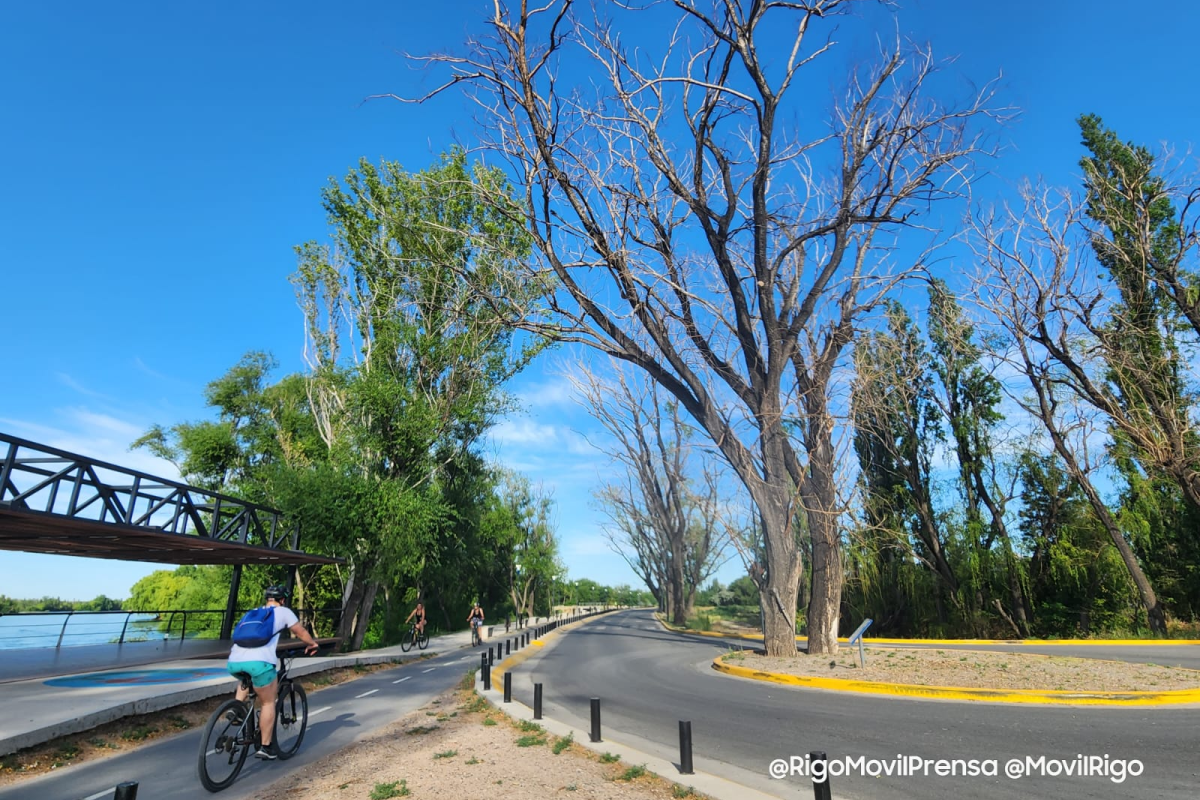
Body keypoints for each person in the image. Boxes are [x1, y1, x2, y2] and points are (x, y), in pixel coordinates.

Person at [227, 585, 319, 760]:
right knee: (268, 702)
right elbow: (300, 632)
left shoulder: (253, 612)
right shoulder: (283, 612)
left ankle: (236, 707)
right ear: (282, 599)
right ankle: (266, 747)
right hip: (260, 663)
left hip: (234, 661)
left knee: (247, 678)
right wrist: (312, 644)